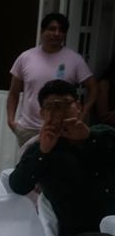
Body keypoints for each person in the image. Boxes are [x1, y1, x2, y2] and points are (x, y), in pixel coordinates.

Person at [9, 79, 115, 236]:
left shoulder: (102, 134)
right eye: (50, 107)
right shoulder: (40, 148)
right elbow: (17, 185)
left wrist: (88, 137)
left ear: (78, 107)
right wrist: (43, 151)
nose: (58, 112)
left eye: (65, 104)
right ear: (42, 114)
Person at [7, 12, 97, 146]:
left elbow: (93, 88)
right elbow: (14, 92)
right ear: (42, 31)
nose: (56, 33)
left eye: (61, 30)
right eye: (52, 29)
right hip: (28, 129)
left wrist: (81, 115)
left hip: (61, 129)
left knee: (57, 164)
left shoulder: (74, 60)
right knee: (29, 165)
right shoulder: (26, 58)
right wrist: (11, 121)